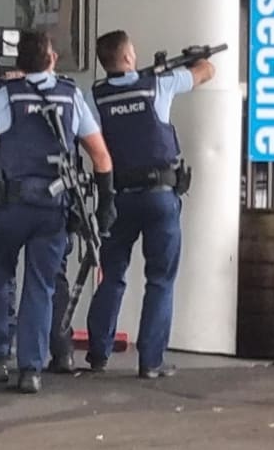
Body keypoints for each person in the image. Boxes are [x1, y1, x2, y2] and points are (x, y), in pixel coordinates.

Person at [0, 31, 115, 394]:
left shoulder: (3, 97)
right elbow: (101, 155)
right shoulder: (72, 95)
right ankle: (31, 370)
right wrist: (106, 203)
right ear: (51, 59)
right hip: (53, 210)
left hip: (9, 206)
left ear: (20, 63)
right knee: (40, 287)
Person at [83, 30, 216, 379]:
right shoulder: (159, 85)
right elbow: (206, 73)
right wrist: (197, 58)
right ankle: (151, 361)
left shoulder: (94, 96)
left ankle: (98, 354)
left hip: (118, 198)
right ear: (128, 57)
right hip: (159, 197)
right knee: (160, 279)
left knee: (111, 275)